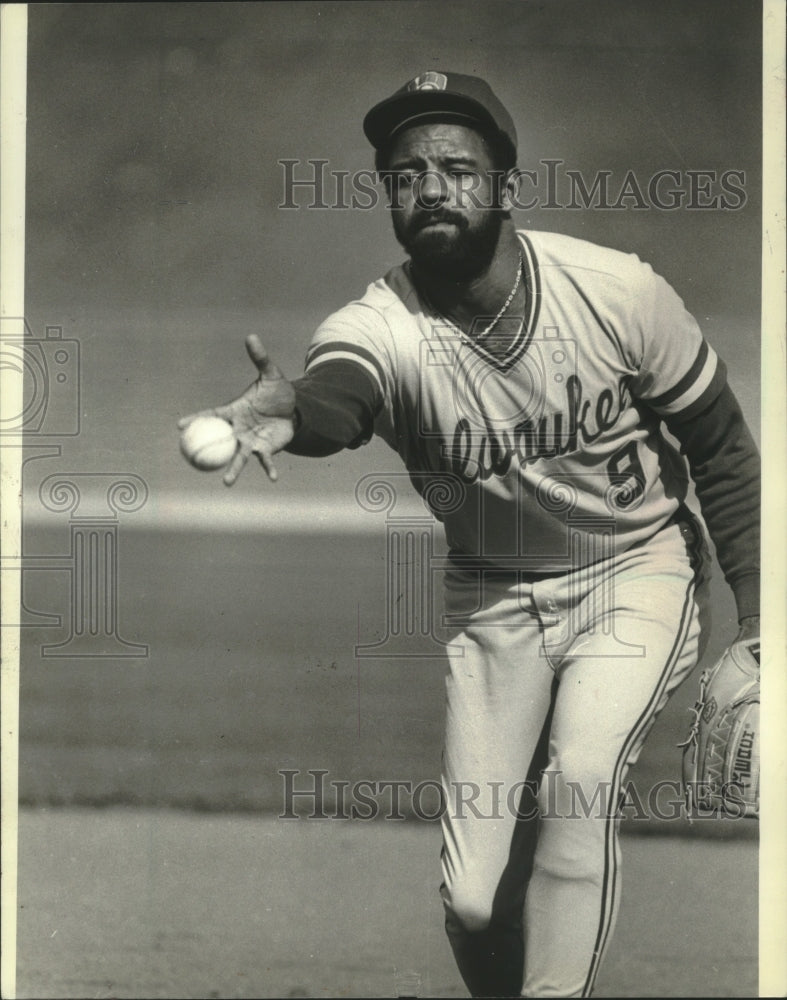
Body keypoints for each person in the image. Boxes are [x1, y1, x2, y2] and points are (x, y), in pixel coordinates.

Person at [179, 72, 760, 998]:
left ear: (504, 183)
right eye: (406, 173)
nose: (432, 186)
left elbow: (724, 452)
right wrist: (291, 405)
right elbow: (339, 396)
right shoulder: (381, 325)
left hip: (636, 572)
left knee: (579, 783)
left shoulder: (615, 292)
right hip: (492, 600)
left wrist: (761, 622)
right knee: (475, 906)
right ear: (388, 197)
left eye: (456, 166)